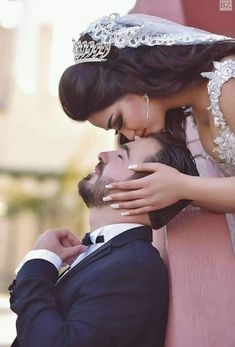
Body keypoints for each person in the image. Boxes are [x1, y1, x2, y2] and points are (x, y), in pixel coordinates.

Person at [59, 13, 235, 250]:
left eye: (119, 121)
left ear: (134, 81)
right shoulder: (193, 108)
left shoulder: (229, 87)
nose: (131, 136)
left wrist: (184, 186)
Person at [9, 133, 199, 347]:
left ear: (148, 187)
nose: (102, 155)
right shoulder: (115, 256)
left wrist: (39, 263)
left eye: (121, 156)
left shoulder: (133, 267)